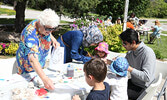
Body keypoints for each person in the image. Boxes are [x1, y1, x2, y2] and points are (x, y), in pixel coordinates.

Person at [16, 8, 60, 90]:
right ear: (40, 23)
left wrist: (54, 40)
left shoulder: (43, 24)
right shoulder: (30, 34)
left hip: (39, 64)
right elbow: (32, 59)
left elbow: (48, 33)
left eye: (52, 29)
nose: (50, 32)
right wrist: (45, 79)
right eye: (48, 29)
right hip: (28, 67)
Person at [119, 29, 156, 100]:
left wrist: (130, 69)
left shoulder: (147, 53)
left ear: (133, 42)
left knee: (117, 92)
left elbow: (147, 77)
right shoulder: (131, 52)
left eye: (125, 43)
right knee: (111, 86)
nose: (123, 46)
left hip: (143, 88)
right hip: (134, 83)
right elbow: (123, 64)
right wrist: (111, 62)